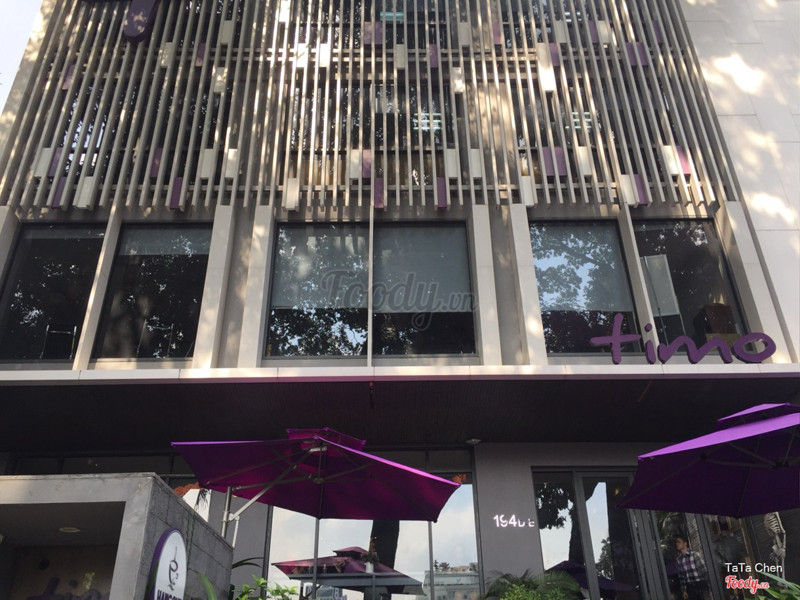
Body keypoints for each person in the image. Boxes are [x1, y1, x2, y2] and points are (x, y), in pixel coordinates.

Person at [675, 536, 708, 600]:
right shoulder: (679, 560)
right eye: (676, 542)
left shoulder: (694, 555)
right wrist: (684, 591)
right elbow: (681, 577)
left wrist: (710, 585)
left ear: (685, 543)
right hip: (691, 587)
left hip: (701, 584)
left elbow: (704, 571)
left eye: (679, 542)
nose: (677, 544)